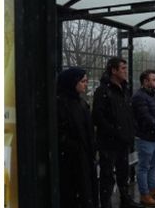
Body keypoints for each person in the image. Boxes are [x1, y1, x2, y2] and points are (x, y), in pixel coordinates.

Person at [92, 57, 136, 208]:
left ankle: (125, 200)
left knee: (124, 173)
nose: (125, 71)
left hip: (123, 141)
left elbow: (129, 114)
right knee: (107, 175)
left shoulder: (125, 89)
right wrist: (115, 132)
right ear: (113, 70)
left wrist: (130, 132)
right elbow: (98, 117)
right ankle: (106, 204)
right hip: (108, 143)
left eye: (125, 67)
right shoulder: (102, 91)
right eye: (122, 68)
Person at [57, 67, 98, 208]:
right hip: (72, 161)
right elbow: (60, 133)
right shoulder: (61, 103)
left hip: (84, 158)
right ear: (72, 82)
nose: (86, 84)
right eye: (83, 81)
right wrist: (76, 147)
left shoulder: (81, 103)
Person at [131, 69, 155, 207]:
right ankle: (144, 194)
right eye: (153, 79)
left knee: (153, 166)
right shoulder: (139, 97)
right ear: (145, 81)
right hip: (145, 138)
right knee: (143, 167)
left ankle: (152, 189)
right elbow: (146, 118)